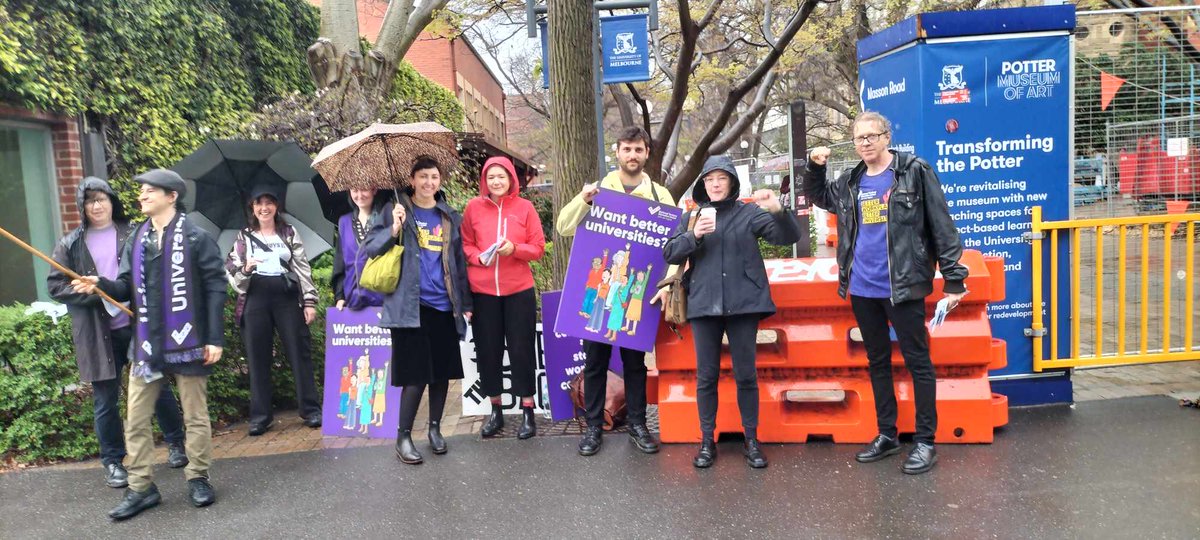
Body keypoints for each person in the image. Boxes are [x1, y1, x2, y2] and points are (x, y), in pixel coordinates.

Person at [805, 112, 968, 475]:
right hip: (863, 288)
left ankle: (925, 441)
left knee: (918, 362)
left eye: (871, 136)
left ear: (887, 137)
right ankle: (887, 434)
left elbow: (942, 225)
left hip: (904, 287)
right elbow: (818, 196)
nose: (865, 143)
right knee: (877, 362)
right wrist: (815, 168)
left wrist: (954, 279)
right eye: (858, 138)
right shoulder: (851, 180)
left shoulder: (914, 171)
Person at [72, 168, 226, 519]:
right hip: (145, 343)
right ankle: (141, 487)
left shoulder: (196, 237)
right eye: (140, 190)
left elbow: (217, 287)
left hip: (189, 340)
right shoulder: (137, 239)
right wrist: (100, 283)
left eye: (149, 190)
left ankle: (198, 477)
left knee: (195, 415)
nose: (141, 195)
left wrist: (215, 337)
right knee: (136, 419)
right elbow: (126, 285)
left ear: (171, 196)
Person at [47, 177, 189, 489]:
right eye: (90, 201)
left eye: (102, 199)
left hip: (137, 324)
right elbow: (55, 285)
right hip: (98, 333)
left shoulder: (135, 233)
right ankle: (113, 462)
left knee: (158, 387)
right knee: (105, 402)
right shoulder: (70, 244)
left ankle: (177, 443)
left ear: (113, 201)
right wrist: (93, 292)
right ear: (82, 207)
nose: (96, 206)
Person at [663, 155, 802, 469]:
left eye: (721, 178)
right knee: (706, 377)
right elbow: (669, 252)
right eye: (709, 179)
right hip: (703, 305)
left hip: (743, 304)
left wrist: (778, 209)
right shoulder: (691, 217)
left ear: (731, 182)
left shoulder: (749, 213)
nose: (714, 183)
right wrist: (694, 234)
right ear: (703, 184)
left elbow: (788, 237)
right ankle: (706, 441)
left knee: (746, 375)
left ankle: (751, 440)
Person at [555, 126, 674, 457]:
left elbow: (676, 244)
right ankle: (594, 425)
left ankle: (638, 423)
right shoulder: (598, 191)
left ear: (646, 153)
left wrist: (667, 283)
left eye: (638, 150)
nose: (632, 155)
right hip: (604, 291)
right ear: (617, 152)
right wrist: (582, 200)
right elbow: (564, 227)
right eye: (626, 149)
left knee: (635, 363)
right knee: (595, 361)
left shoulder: (659, 197)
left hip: (636, 295)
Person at [364, 156, 473, 465]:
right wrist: (394, 228)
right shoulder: (395, 209)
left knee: (441, 374)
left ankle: (436, 430)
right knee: (415, 375)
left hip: (444, 306)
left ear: (440, 180)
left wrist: (465, 304)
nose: (429, 182)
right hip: (411, 306)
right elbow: (371, 247)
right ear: (412, 180)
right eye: (423, 176)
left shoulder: (449, 215)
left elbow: (458, 263)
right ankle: (403, 436)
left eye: (434, 177)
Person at [224, 185, 322, 436]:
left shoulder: (288, 232)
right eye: (259, 203)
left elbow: (302, 268)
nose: (264, 208)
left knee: (299, 353)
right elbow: (233, 276)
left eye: (269, 202)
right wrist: (246, 269)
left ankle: (310, 410)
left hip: (286, 296)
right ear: (252, 207)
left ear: (277, 206)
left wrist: (309, 302)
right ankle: (260, 417)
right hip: (255, 297)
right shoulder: (243, 237)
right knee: (257, 358)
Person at [460, 156, 546, 440]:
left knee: (521, 350)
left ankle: (527, 410)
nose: (496, 182)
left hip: (518, 290)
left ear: (511, 179)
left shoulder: (525, 208)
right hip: (483, 292)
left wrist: (515, 249)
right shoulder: (473, 207)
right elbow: (465, 245)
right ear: (484, 180)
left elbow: (537, 248)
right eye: (491, 177)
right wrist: (478, 258)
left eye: (502, 176)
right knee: (488, 351)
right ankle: (494, 410)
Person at [332, 188, 386, 311]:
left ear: (374, 189)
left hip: (382, 298)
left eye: (364, 189)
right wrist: (340, 296)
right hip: (353, 297)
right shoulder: (344, 221)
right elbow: (340, 262)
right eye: (355, 190)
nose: (359, 195)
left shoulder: (386, 219)